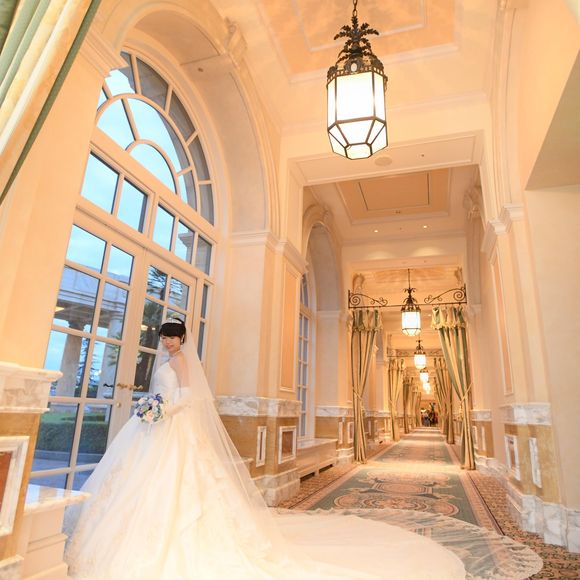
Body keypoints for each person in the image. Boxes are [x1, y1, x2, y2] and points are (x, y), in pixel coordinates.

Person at [64, 319, 535, 579]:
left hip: (174, 427)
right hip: (157, 430)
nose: (168, 342)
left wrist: (163, 409)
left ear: (183, 339)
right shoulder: (165, 362)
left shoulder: (184, 362)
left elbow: (188, 398)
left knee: (181, 487)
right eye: (165, 337)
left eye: (173, 337)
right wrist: (151, 408)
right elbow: (169, 395)